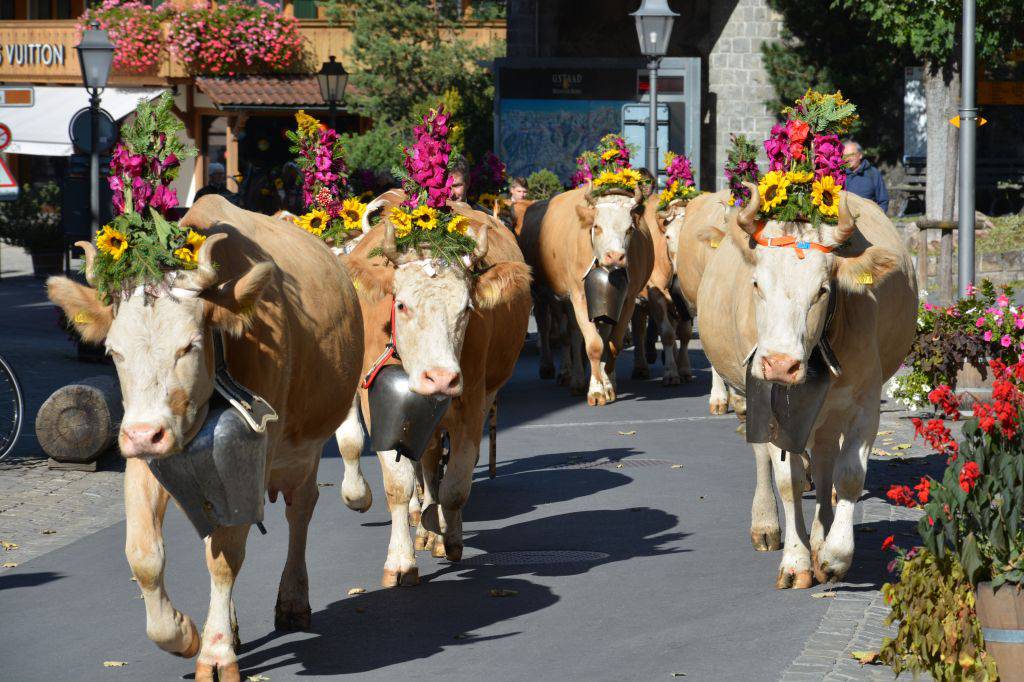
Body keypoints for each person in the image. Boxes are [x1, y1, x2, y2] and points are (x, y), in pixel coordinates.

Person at [842, 140, 889, 212]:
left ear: (860, 155)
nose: (848, 158)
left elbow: (883, 201)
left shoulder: (873, 174)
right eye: (845, 156)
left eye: (851, 154)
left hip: (868, 219)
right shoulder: (839, 175)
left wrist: (877, 219)